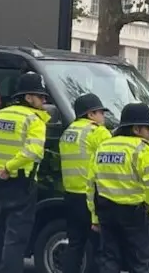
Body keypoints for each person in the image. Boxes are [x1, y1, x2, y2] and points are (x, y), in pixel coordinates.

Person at [0, 71, 50, 273]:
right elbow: (33, 151)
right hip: (22, 185)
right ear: (28, 97)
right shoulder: (34, 120)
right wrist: (8, 168)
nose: (43, 101)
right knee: (15, 239)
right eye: (40, 96)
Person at [86, 102, 149, 273]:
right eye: (147, 128)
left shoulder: (103, 147)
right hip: (134, 213)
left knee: (109, 259)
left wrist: (94, 216)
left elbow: (91, 184)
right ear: (136, 130)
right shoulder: (143, 149)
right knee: (139, 261)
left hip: (106, 211)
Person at [59, 93, 112, 273]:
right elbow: (110, 161)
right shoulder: (97, 132)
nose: (103, 117)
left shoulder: (68, 132)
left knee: (75, 244)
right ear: (90, 114)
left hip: (71, 195)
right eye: (100, 113)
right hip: (92, 198)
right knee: (100, 246)